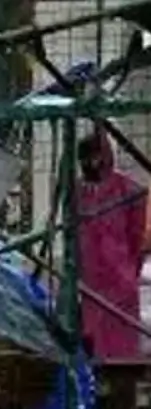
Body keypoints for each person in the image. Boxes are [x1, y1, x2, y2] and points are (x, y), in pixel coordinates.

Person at [77, 130, 147, 362]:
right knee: (92, 349)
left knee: (120, 353)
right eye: (84, 160)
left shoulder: (130, 191)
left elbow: (137, 240)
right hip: (89, 282)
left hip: (119, 279)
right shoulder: (77, 192)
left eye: (93, 158)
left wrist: (125, 270)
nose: (88, 164)